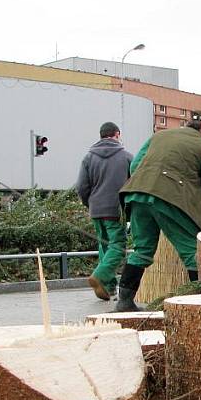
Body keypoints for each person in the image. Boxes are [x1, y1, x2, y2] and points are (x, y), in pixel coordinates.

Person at [114, 110, 201, 311]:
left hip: (137, 193)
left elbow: (135, 165)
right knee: (192, 250)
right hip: (170, 198)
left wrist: (150, 182)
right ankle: (200, 304)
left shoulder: (159, 136)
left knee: (142, 249)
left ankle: (124, 302)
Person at [76, 121, 132, 301]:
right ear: (117, 134)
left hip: (96, 209)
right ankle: (100, 275)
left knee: (104, 245)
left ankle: (107, 287)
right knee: (117, 246)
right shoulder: (126, 157)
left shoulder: (88, 157)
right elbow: (135, 183)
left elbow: (82, 187)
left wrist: (89, 204)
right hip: (115, 209)